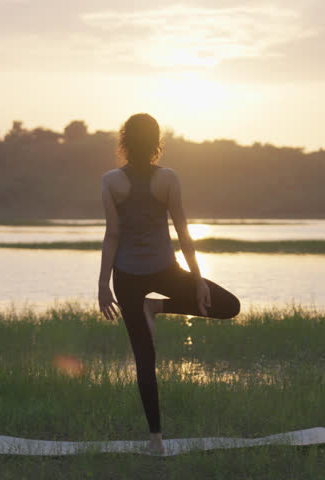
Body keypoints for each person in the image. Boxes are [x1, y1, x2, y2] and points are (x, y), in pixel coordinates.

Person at [97, 113, 241, 455]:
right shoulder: (164, 178)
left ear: (125, 142)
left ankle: (156, 306)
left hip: (142, 275)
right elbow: (180, 232)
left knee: (224, 308)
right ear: (156, 143)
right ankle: (156, 441)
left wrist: (104, 284)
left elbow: (115, 236)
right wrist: (103, 285)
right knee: (147, 358)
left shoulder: (112, 181)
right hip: (144, 275)